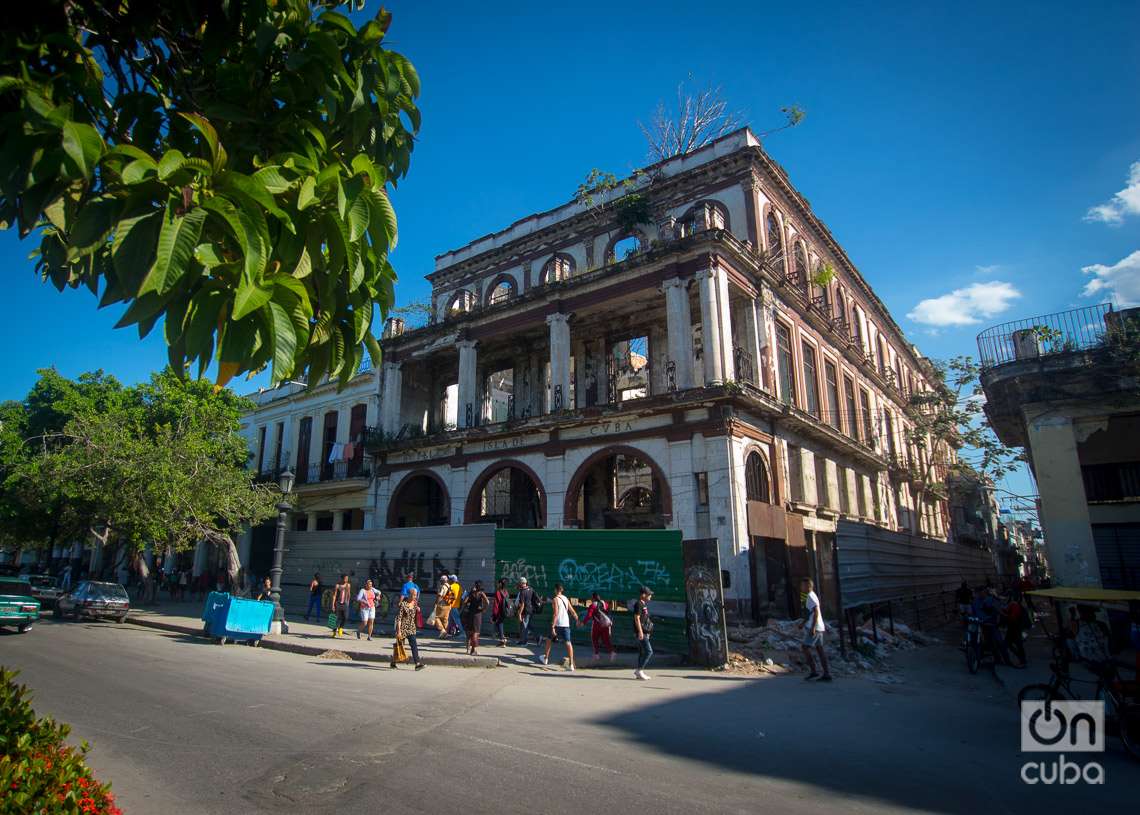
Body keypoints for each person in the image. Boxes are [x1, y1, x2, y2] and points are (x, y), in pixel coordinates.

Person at [799, 577, 832, 682]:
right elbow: (810, 613)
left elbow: (816, 611)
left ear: (809, 586)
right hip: (818, 626)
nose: (801, 587)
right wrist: (803, 623)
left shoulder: (810, 596)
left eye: (803, 585)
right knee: (819, 650)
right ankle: (826, 674)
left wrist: (812, 627)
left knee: (805, 647)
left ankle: (814, 671)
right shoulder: (810, 596)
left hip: (816, 627)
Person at [541, 583, 578, 671]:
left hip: (557, 624)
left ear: (556, 590)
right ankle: (571, 664)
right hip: (566, 624)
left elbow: (556, 613)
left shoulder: (555, 599)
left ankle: (545, 658)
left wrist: (553, 626)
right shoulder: (565, 598)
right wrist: (577, 619)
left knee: (549, 640)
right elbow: (572, 611)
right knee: (568, 643)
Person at [391, 588, 426, 670]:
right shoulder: (403, 604)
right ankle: (393, 662)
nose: (415, 596)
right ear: (409, 595)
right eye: (414, 595)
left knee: (414, 645)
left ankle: (417, 664)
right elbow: (399, 619)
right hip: (402, 628)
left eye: (416, 595)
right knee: (399, 646)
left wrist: (418, 609)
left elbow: (416, 612)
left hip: (411, 628)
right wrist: (398, 631)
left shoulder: (415, 603)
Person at [582, 592, 616, 663]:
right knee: (606, 640)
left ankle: (596, 654)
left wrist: (583, 623)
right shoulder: (605, 604)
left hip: (597, 625)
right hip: (605, 625)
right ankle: (612, 652)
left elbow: (589, 616)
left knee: (594, 639)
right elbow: (609, 613)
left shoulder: (593, 605)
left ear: (593, 598)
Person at [632, 586, 654, 680]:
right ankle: (639, 670)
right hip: (641, 632)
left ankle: (639, 672)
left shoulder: (643, 604)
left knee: (642, 652)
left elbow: (644, 618)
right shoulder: (638, 604)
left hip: (645, 632)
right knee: (649, 651)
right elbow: (636, 618)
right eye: (649, 594)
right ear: (643, 595)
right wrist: (640, 632)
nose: (650, 596)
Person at [462, 580, 490, 655]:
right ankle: (473, 650)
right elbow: (487, 602)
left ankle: (468, 649)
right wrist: (484, 609)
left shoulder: (471, 593)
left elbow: (464, 602)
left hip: (470, 614)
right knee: (475, 632)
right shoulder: (481, 593)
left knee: (469, 631)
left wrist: (466, 607)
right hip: (477, 614)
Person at [515, 577, 538, 646]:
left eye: (519, 583)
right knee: (528, 626)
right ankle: (537, 637)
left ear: (522, 583)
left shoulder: (522, 591)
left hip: (525, 611)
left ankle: (524, 642)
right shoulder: (530, 589)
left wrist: (519, 614)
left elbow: (522, 604)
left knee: (524, 626)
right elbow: (535, 597)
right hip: (530, 610)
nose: (519, 584)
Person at [491, 578, 511, 647]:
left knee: (499, 624)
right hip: (505, 611)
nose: (497, 584)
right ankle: (501, 637)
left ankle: (503, 640)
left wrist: (494, 615)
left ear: (500, 584)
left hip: (499, 612)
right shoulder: (506, 591)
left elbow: (496, 604)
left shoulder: (498, 592)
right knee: (499, 624)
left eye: (498, 583)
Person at [331, 574, 351, 638]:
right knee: (335, 618)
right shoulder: (337, 585)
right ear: (342, 579)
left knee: (345, 617)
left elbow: (348, 594)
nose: (346, 580)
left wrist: (348, 602)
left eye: (347, 578)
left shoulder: (348, 585)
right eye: (345, 578)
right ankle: (334, 632)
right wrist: (333, 605)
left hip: (345, 604)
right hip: (338, 603)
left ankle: (340, 628)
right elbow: (334, 595)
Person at [448, 574, 465, 639]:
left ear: (452, 580)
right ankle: (447, 632)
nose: (448, 580)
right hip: (457, 605)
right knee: (451, 620)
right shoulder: (459, 587)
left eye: (449, 579)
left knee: (457, 620)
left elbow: (449, 598)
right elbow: (462, 597)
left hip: (452, 606)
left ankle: (462, 633)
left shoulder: (451, 587)